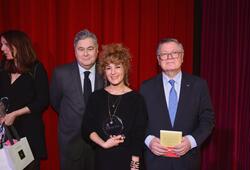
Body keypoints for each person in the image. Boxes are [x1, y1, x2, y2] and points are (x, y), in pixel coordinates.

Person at [140, 38, 214, 170]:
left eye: (174, 53)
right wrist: (149, 140)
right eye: (164, 54)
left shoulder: (199, 85)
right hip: (155, 161)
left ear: (182, 56)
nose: (169, 57)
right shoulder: (146, 87)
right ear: (158, 60)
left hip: (187, 161)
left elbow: (207, 120)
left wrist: (191, 141)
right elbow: (138, 122)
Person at [81, 43, 147, 170]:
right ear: (103, 71)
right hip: (102, 159)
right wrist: (104, 144)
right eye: (108, 68)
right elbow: (86, 128)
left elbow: (138, 136)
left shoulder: (136, 99)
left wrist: (135, 166)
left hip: (128, 161)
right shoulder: (96, 97)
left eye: (117, 67)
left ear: (125, 68)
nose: (113, 72)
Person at [50, 29, 104, 170]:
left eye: (90, 49)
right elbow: (56, 102)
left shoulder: (106, 73)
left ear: (97, 50)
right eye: (81, 49)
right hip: (71, 144)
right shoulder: (60, 74)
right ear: (75, 51)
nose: (85, 54)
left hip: (100, 144)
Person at [0, 30, 49, 170]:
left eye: (6, 44)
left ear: (18, 45)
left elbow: (42, 100)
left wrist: (15, 114)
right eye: (2, 44)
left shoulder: (36, 69)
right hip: (5, 134)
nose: (2, 49)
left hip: (29, 133)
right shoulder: (3, 68)